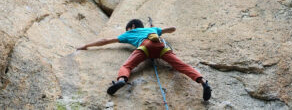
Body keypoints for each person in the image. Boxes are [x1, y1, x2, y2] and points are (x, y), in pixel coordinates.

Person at [77, 19, 212, 101]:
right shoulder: (152, 29)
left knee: (127, 66)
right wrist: (156, 29)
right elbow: (173, 29)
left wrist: (86, 45)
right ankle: (203, 82)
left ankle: (122, 80)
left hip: (145, 47)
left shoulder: (129, 33)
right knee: (182, 66)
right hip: (161, 46)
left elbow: (105, 41)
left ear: (132, 26)